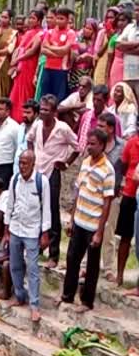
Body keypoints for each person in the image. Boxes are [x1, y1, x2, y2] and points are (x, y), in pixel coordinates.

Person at [59, 129, 115, 313]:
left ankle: (86, 302)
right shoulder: (84, 163)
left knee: (91, 266)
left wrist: (99, 232)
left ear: (102, 145)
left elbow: (107, 203)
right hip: (79, 220)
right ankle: (67, 296)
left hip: (93, 225)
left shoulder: (108, 170)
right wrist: (71, 219)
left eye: (93, 144)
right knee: (72, 259)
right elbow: (78, 192)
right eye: (88, 143)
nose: (89, 147)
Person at [26, 94, 80, 268]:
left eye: (46, 110)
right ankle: (37, 247)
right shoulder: (37, 124)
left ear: (55, 112)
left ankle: (54, 254)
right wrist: (31, 157)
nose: (42, 113)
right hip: (37, 171)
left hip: (53, 173)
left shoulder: (62, 128)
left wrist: (66, 163)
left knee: (52, 212)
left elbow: (77, 147)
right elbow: (29, 140)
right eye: (41, 109)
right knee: (36, 208)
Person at [3, 150, 51, 323]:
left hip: (32, 231)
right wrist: (7, 230)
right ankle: (19, 295)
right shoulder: (15, 180)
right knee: (15, 265)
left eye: (25, 163)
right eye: (20, 162)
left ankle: (35, 305)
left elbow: (46, 208)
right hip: (16, 228)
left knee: (32, 268)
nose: (22, 166)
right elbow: (10, 205)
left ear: (33, 163)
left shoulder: (41, 182)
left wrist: (45, 233)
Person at [97, 113, 125, 283]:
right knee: (90, 230)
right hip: (94, 194)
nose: (98, 129)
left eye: (102, 126)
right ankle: (86, 265)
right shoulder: (95, 144)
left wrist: (122, 185)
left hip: (113, 195)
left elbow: (127, 167)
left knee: (109, 231)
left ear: (111, 128)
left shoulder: (122, 146)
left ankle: (108, 268)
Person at [9, 9, 44, 123]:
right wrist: (15, 61)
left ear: (39, 21)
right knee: (16, 91)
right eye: (29, 17)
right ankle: (14, 118)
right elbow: (20, 48)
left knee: (26, 92)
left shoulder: (40, 33)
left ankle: (23, 118)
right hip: (22, 65)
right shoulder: (28, 32)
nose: (30, 20)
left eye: (33, 18)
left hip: (30, 65)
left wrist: (17, 59)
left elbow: (32, 51)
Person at [117, 115, 139, 286]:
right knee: (125, 236)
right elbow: (123, 164)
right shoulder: (132, 142)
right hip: (130, 193)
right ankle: (119, 275)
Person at [39, 7, 77, 104]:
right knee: (45, 97)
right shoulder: (50, 32)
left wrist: (50, 47)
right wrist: (58, 53)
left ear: (68, 20)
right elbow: (43, 49)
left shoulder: (70, 33)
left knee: (58, 99)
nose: (59, 21)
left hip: (60, 70)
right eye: (57, 18)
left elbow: (65, 50)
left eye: (62, 19)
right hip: (48, 68)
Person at [77, 84, 119, 151]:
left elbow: (117, 141)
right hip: (84, 154)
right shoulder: (86, 116)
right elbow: (79, 138)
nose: (95, 103)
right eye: (94, 99)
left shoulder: (113, 119)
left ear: (105, 101)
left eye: (99, 100)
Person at [116, 3, 139, 101]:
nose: (137, 13)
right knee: (130, 102)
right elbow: (118, 45)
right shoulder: (130, 27)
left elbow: (123, 46)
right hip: (129, 73)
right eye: (136, 10)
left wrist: (127, 49)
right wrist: (136, 43)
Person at [14, 99, 39, 175]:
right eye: (24, 112)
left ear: (36, 114)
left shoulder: (39, 129)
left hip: (31, 170)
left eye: (28, 113)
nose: (24, 115)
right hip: (17, 168)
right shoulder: (21, 127)